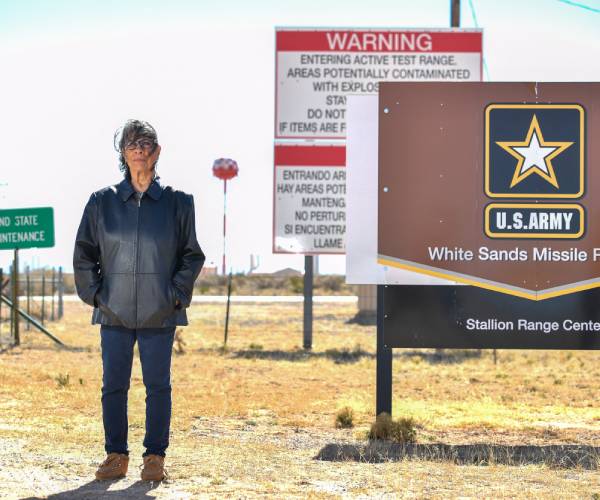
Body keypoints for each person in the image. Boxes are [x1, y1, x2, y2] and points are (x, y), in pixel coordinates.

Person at [73, 119, 205, 481]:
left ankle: (154, 458)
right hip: (113, 311)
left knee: (158, 387)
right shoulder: (101, 202)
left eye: (146, 143)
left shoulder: (178, 202)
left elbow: (191, 255)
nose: (139, 149)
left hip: (159, 311)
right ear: (123, 152)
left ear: (157, 151)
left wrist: (175, 295)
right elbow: (84, 253)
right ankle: (115, 455)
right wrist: (96, 295)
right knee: (113, 386)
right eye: (131, 143)